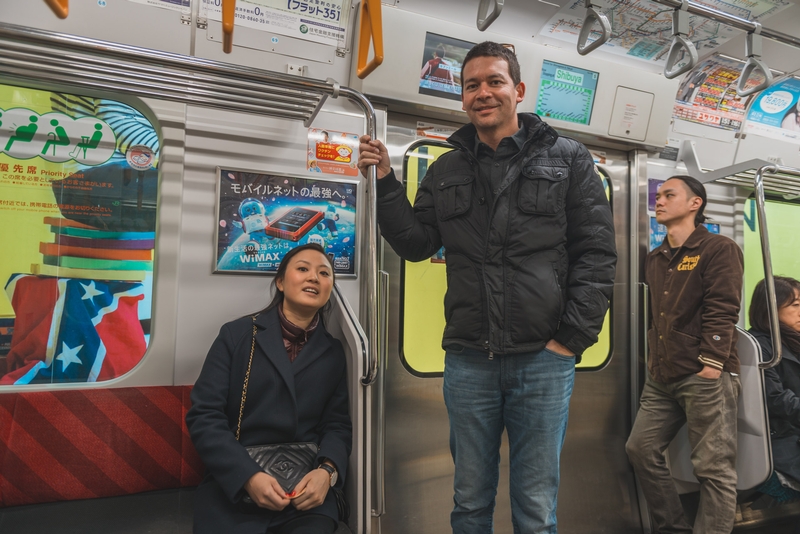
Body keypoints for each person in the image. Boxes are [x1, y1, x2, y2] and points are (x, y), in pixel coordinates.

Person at [359, 41, 616, 533]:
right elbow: (416, 244)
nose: (483, 92)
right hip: (469, 359)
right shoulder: (445, 169)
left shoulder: (569, 159)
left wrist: (571, 341)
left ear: (517, 90)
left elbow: (597, 255)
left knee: (536, 507)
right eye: (472, 84)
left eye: (494, 81)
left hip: (544, 359)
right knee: (469, 502)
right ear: (462, 98)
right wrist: (388, 183)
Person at [186, 243, 351, 534]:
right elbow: (204, 415)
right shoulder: (236, 336)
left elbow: (337, 425)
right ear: (280, 282)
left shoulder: (334, 351)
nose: (314, 277)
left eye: (324, 273)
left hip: (304, 491)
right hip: (234, 484)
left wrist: (326, 472)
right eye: (303, 269)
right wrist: (247, 476)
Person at [626, 175, 743, 534]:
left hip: (703, 374)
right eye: (658, 196)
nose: (658, 201)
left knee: (713, 468)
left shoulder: (717, 248)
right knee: (640, 449)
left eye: (668, 195)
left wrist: (712, 363)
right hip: (662, 375)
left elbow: (722, 307)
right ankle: (672, 528)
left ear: (695, 203)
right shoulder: (656, 257)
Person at [749, 276, 800, 486]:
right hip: (781, 437)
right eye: (796, 305)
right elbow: (776, 400)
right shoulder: (760, 347)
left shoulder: (792, 339)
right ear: (771, 307)